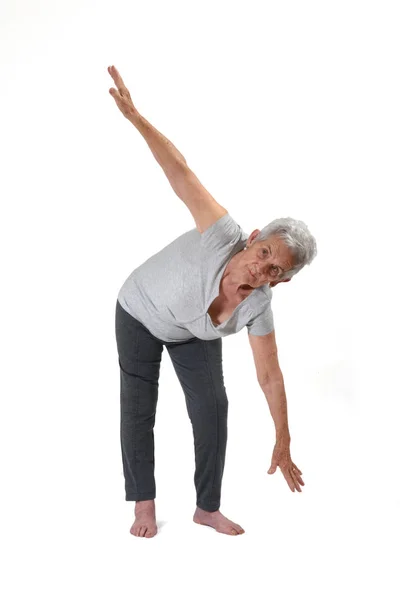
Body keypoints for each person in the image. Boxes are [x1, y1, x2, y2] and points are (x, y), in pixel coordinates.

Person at [109, 65, 317, 538]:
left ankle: (207, 507)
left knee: (212, 408)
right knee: (139, 408)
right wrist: (136, 117)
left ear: (280, 282)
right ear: (255, 237)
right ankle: (144, 505)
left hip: (190, 331)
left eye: (274, 270)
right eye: (263, 253)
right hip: (140, 311)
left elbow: (270, 375)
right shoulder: (221, 234)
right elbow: (180, 173)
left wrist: (283, 438)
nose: (261, 269)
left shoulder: (258, 305)